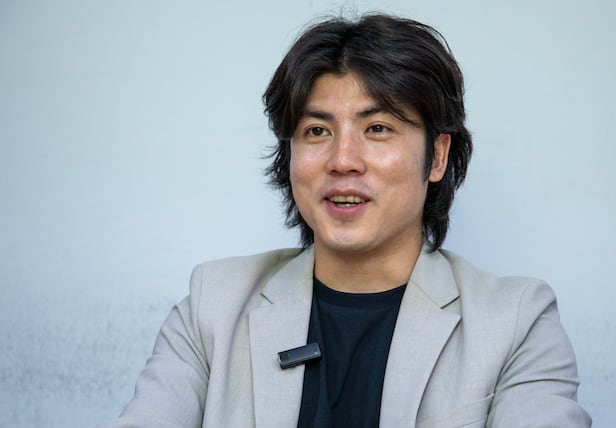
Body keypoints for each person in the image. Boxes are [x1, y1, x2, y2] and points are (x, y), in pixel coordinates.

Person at [100, 13, 591, 427]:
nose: (342, 160)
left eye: (377, 128)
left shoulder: (517, 322)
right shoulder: (212, 308)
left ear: (437, 157)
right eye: (317, 131)